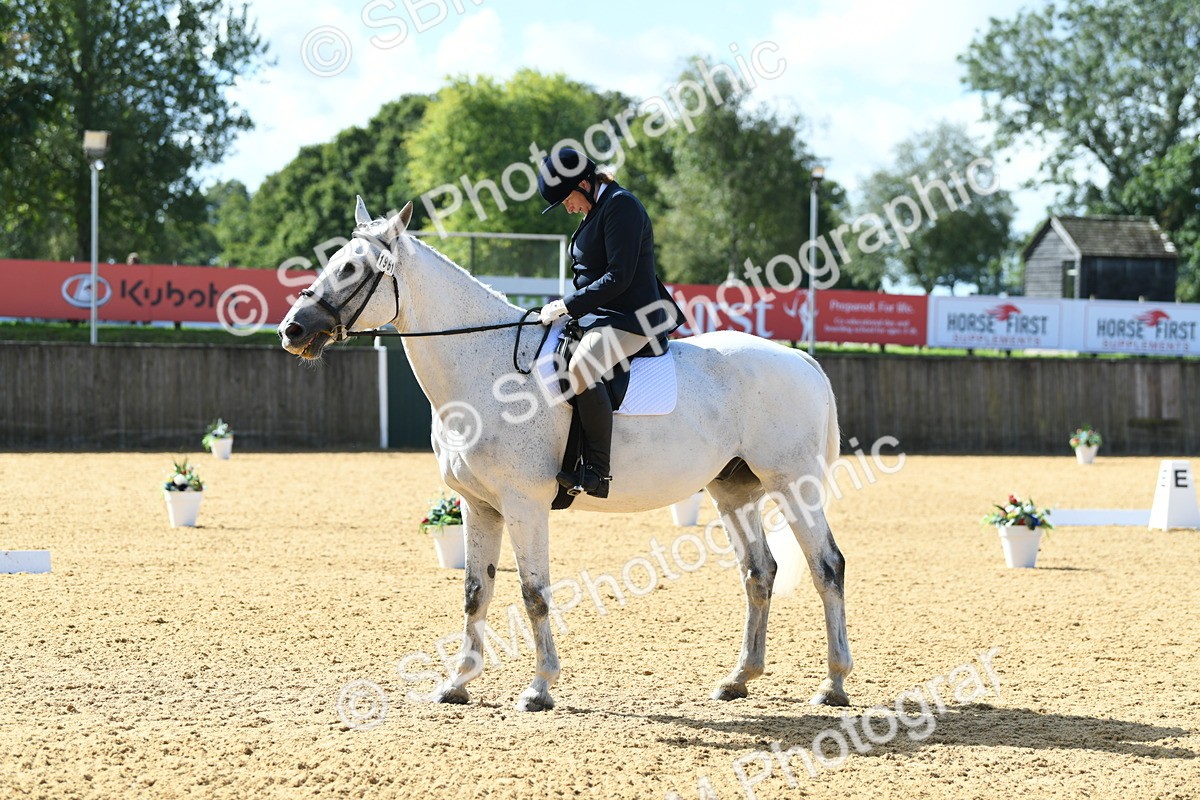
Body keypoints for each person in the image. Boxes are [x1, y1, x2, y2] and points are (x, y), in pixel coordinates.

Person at [536, 147, 683, 498]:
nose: (568, 208)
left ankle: (599, 471)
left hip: (634, 316)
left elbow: (618, 276)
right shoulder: (595, 211)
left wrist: (567, 305)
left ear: (584, 184)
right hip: (600, 316)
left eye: (567, 199)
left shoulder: (621, 206)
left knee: (585, 365)